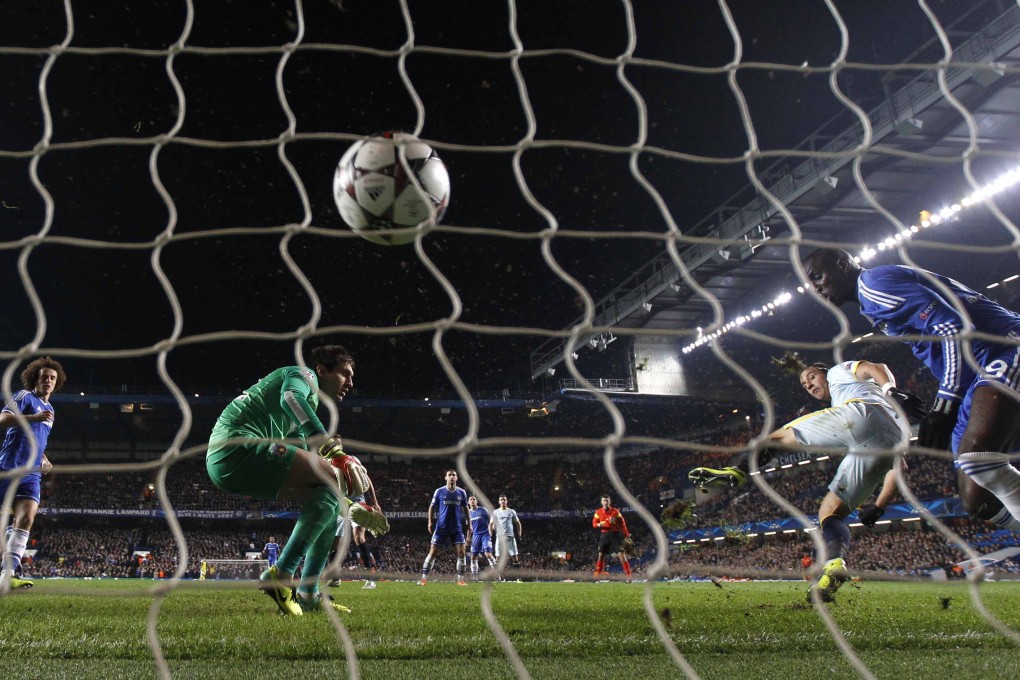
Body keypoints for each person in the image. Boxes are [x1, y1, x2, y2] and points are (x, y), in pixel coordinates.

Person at [803, 247, 1020, 533]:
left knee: (977, 458)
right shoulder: (869, 300)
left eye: (817, 276)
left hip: (1003, 348)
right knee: (976, 498)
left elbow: (953, 328)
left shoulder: (875, 285)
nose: (816, 288)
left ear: (843, 265)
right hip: (975, 374)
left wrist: (945, 406)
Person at [689, 354, 916, 602]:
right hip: (887, 446)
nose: (808, 384)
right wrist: (879, 508)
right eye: (804, 385)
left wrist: (891, 389)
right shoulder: (898, 419)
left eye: (811, 377)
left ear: (824, 372)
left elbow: (875, 367)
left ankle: (737, 471)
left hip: (860, 414)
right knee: (830, 512)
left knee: (774, 438)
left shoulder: (837, 373)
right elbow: (899, 469)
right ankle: (835, 565)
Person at [205, 345, 388, 616]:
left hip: (231, 462)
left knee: (328, 493)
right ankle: (282, 575)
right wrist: (331, 450)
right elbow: (290, 397)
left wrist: (351, 506)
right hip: (238, 445)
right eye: (345, 373)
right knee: (334, 477)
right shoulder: (304, 375)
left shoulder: (306, 407)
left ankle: (308, 594)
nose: (351, 382)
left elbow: (309, 465)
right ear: (322, 370)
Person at [0, 357, 64, 590]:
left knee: (27, 517)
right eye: (44, 376)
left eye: (52, 378)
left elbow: (37, 440)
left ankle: (8, 575)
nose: (48, 380)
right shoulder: (24, 396)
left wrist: (44, 458)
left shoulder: (51, 410)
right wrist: (32, 418)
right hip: (8, 467)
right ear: (35, 378)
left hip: (32, 473)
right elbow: (3, 419)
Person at [326, 453, 382, 590]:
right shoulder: (327, 462)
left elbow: (367, 480)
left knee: (359, 537)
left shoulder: (352, 460)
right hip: (341, 504)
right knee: (334, 543)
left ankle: (370, 580)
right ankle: (335, 578)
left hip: (358, 501)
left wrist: (375, 502)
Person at [418, 469, 469, 586]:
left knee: (461, 553)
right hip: (441, 528)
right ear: (446, 477)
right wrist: (430, 522)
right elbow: (432, 507)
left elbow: (466, 509)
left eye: (454, 475)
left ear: (457, 478)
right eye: (449, 475)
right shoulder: (439, 491)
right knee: (433, 551)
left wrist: (470, 525)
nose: (452, 477)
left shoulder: (462, 492)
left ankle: (460, 580)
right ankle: (423, 578)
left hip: (456, 528)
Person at [592, 494, 632, 582]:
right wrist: (600, 524)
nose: (606, 502)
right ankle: (597, 578)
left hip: (615, 535)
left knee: (622, 555)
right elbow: (594, 524)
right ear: (601, 502)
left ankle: (629, 577)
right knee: (601, 556)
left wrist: (626, 534)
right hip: (604, 535)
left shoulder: (616, 512)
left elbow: (622, 523)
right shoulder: (598, 512)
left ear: (610, 501)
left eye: (607, 500)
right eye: (604, 500)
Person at [489, 494, 522, 579]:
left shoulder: (511, 511)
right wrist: (491, 535)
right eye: (501, 500)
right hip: (500, 538)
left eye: (504, 500)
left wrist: (519, 535)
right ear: (499, 502)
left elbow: (518, 523)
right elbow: (491, 524)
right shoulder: (495, 512)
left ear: (507, 501)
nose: (503, 501)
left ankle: (518, 578)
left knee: (514, 557)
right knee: (497, 558)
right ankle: (497, 577)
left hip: (510, 537)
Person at [466, 495, 496, 581]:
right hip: (476, 536)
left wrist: (492, 527)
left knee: (488, 555)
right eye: (470, 499)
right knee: (473, 557)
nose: (472, 500)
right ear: (468, 502)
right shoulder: (468, 513)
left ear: (476, 501)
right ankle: (475, 577)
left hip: (485, 534)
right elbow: (469, 527)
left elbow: (492, 519)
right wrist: (468, 538)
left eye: (474, 499)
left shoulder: (483, 510)